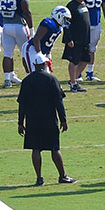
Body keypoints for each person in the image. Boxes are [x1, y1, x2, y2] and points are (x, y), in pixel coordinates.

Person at [18, 53, 74, 186]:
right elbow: (58, 102)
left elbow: (22, 104)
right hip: (49, 120)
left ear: (34, 65)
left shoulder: (27, 80)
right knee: (55, 149)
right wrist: (63, 120)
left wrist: (20, 123)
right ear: (44, 64)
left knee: (36, 149)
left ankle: (39, 178)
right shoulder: (51, 79)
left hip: (32, 120)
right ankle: (62, 176)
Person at [0, 0, 34, 88]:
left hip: (6, 26)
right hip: (19, 26)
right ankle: (30, 78)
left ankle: (7, 80)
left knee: (7, 54)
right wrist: (31, 29)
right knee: (25, 53)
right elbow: (27, 12)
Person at [74, 0, 105, 81]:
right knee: (81, 47)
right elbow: (75, 4)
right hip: (83, 24)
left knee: (92, 48)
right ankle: (78, 73)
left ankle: (90, 73)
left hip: (96, 23)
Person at [64, 0, 91, 92]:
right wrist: (68, 39)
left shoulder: (84, 4)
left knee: (85, 60)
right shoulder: (71, 6)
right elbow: (66, 24)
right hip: (75, 39)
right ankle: (73, 83)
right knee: (74, 61)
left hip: (85, 39)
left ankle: (72, 80)